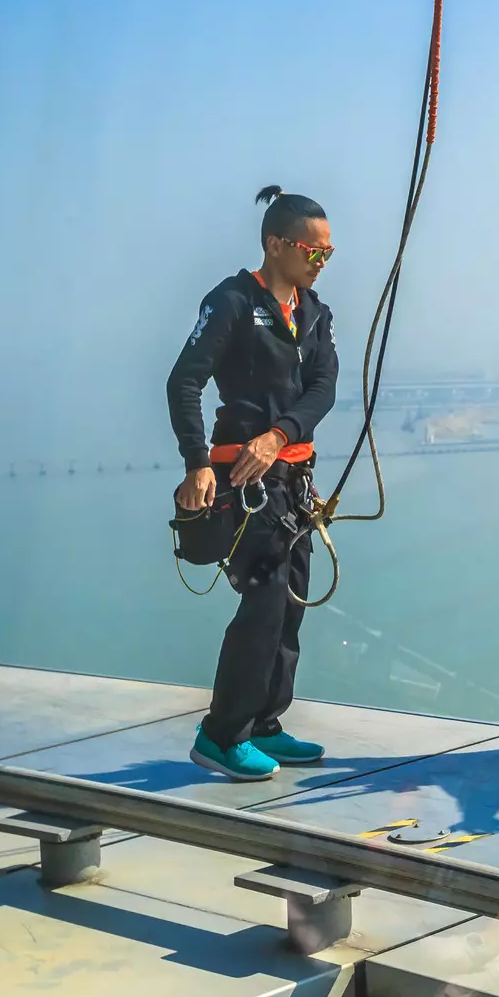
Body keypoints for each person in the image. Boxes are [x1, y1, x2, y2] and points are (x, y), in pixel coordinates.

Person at [167, 186, 340, 781]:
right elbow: (183, 381)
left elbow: (324, 389)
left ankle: (266, 722)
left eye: (328, 253)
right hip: (243, 481)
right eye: (311, 251)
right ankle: (221, 734)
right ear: (275, 244)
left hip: (294, 478)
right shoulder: (233, 301)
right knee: (262, 605)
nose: (320, 261)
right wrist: (196, 463)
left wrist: (281, 435)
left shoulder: (315, 312)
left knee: (290, 605)